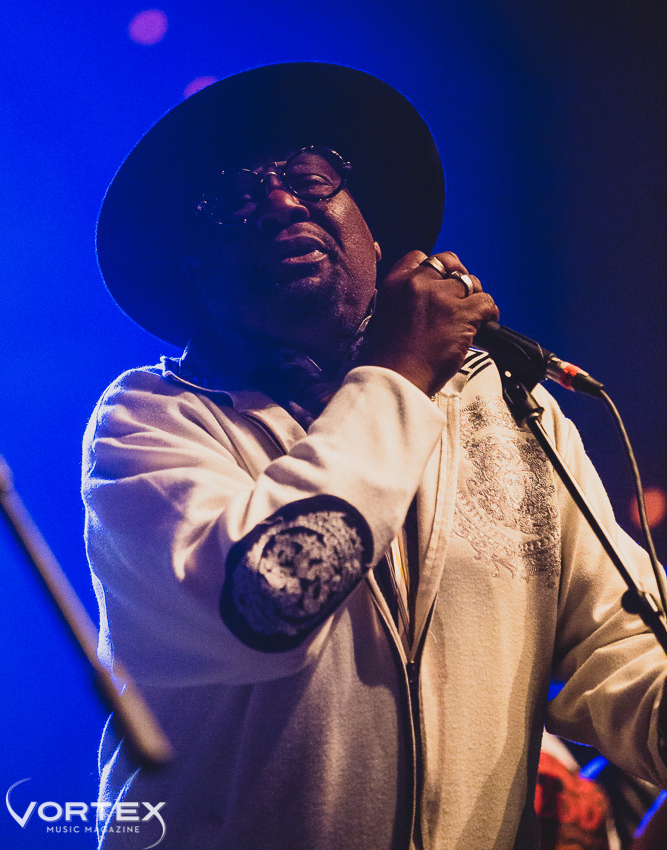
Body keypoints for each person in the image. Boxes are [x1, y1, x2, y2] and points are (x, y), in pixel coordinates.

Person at [84, 63, 667, 850]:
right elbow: (267, 603)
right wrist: (396, 374)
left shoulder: (507, 410)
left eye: (311, 178)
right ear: (193, 270)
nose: (282, 203)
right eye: (232, 203)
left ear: (375, 227)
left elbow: (614, 643)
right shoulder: (150, 423)